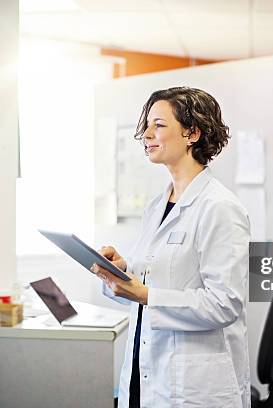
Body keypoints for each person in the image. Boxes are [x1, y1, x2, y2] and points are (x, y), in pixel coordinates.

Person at [92, 87, 251, 408]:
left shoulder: (219, 207)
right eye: (148, 125)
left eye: (159, 125)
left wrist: (145, 294)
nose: (146, 134)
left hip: (192, 387)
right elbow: (160, 277)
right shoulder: (157, 205)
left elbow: (225, 304)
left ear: (192, 133)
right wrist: (122, 272)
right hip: (145, 369)